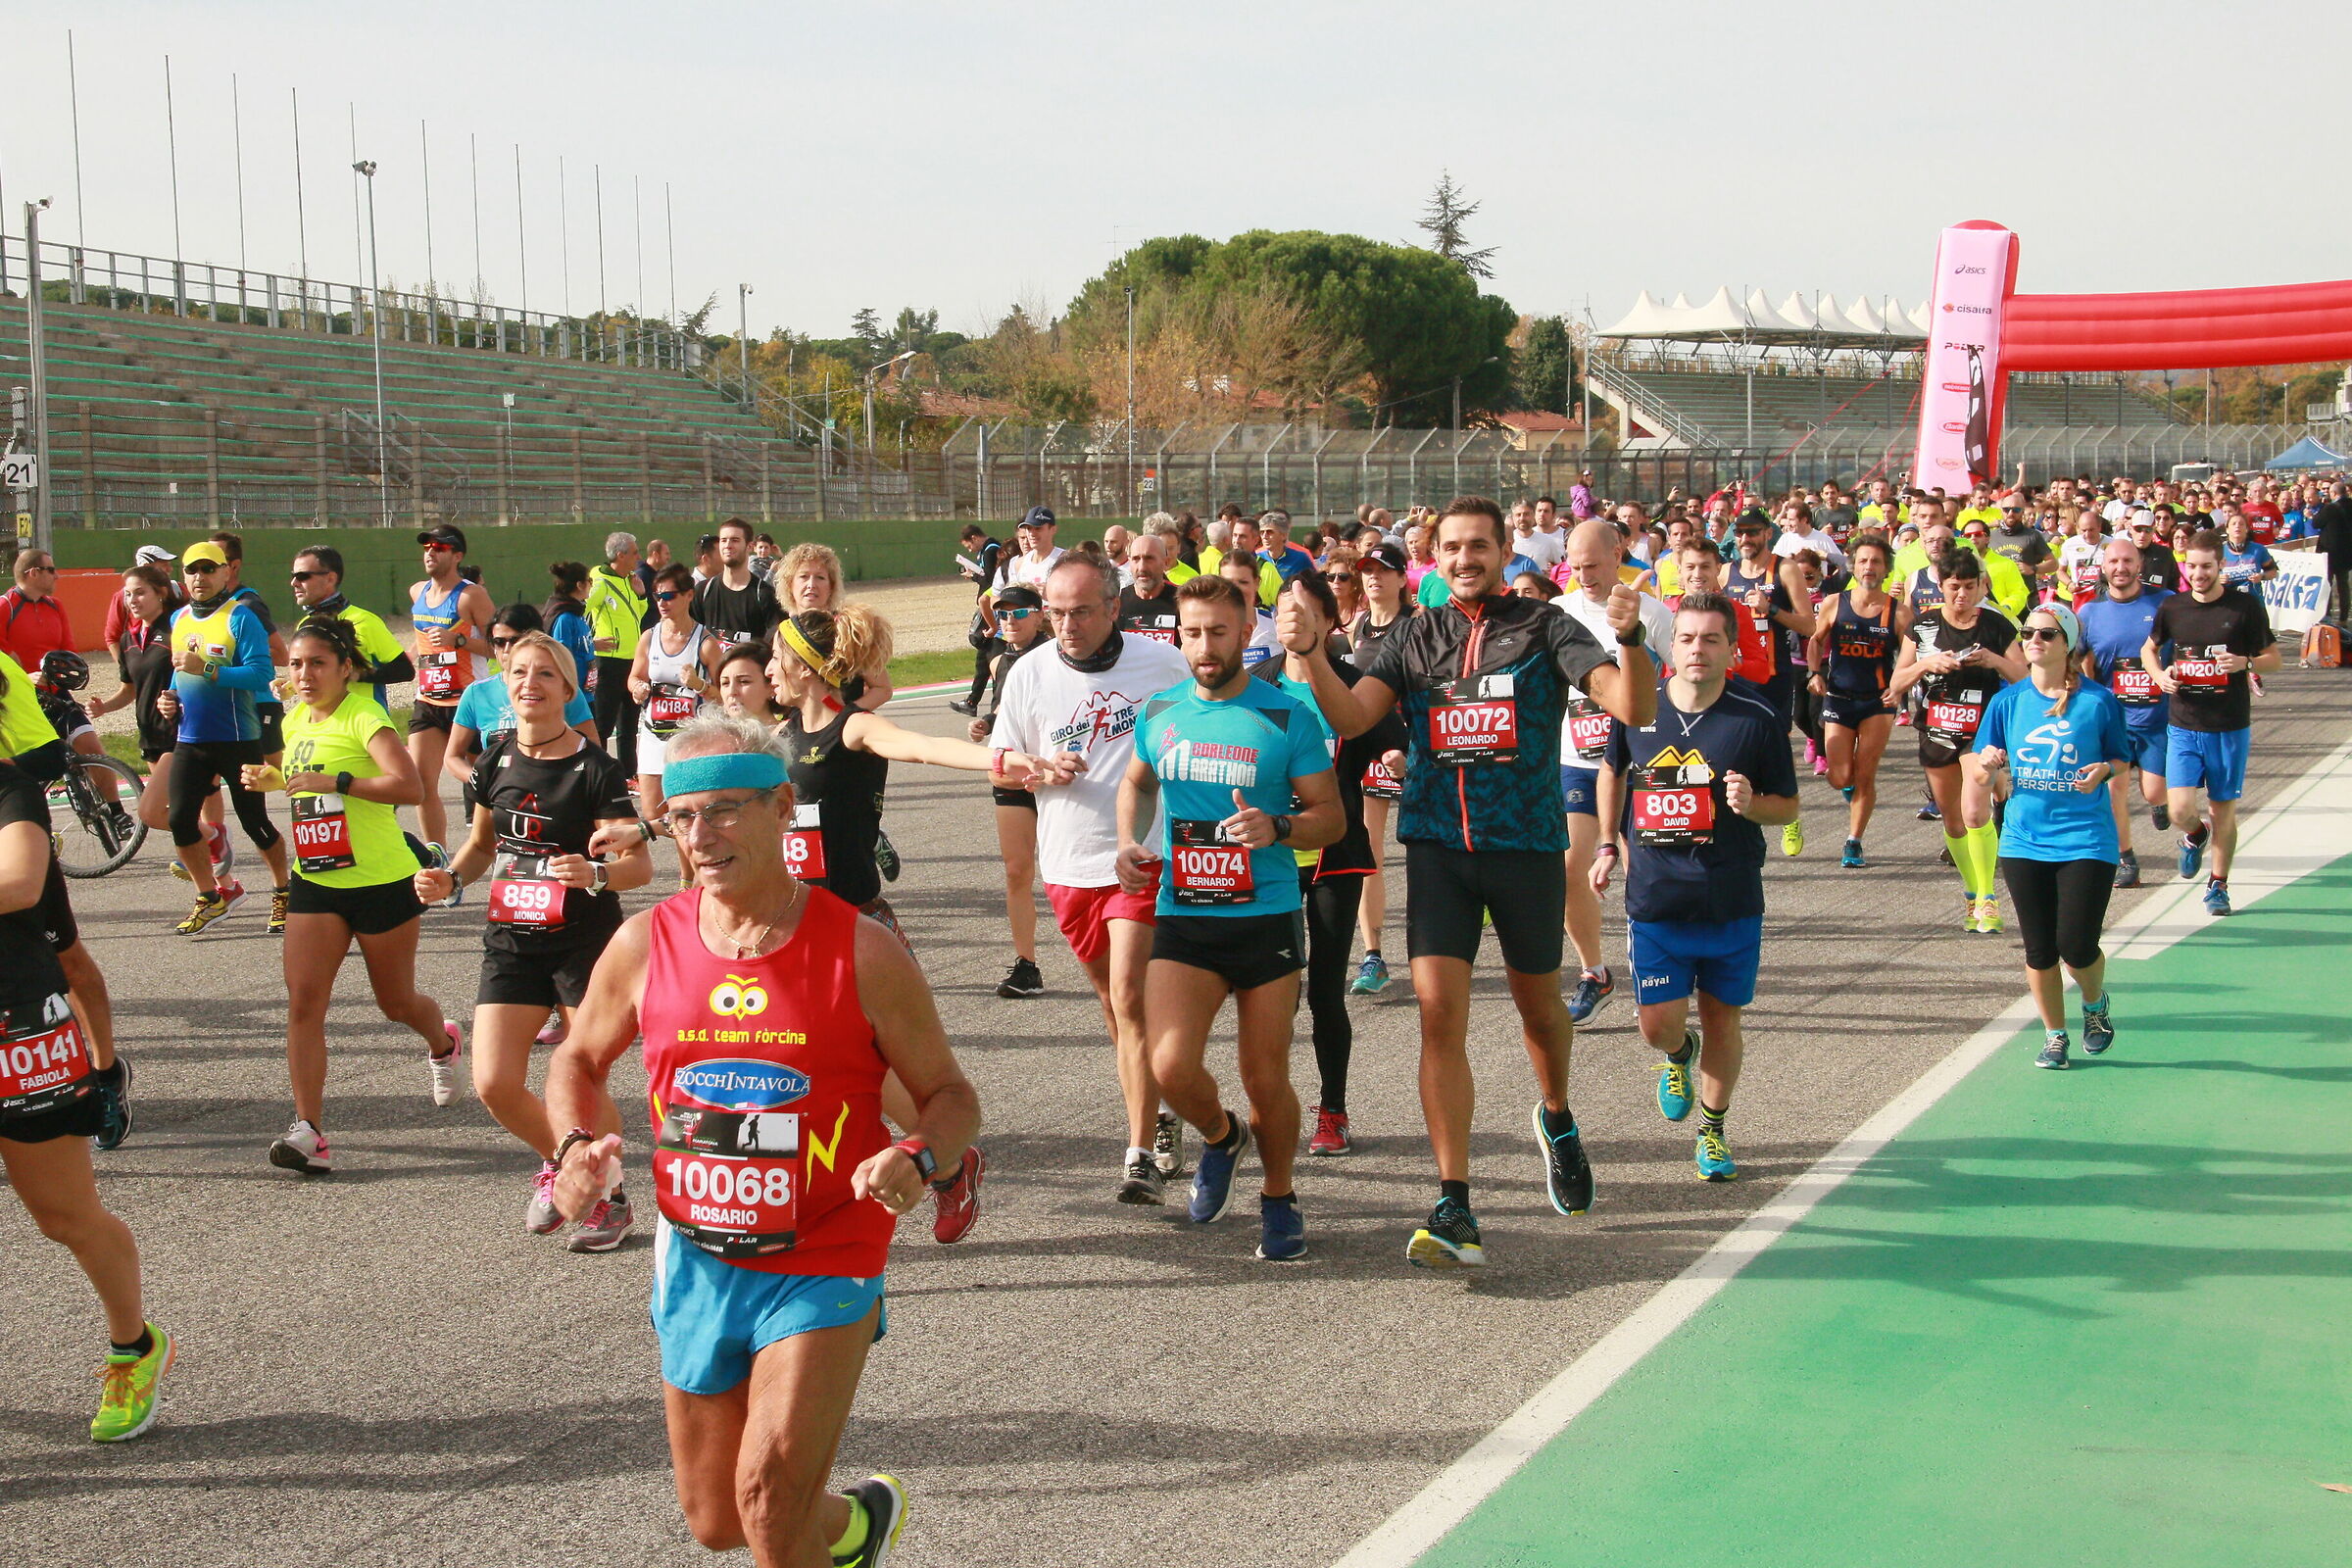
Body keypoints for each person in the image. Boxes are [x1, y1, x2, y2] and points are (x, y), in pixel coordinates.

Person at [544, 716, 978, 1567]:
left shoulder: (862, 949)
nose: (701, 836)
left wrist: (919, 1154)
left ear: (783, 807)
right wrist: (572, 1148)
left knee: (768, 1499)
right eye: (683, 816)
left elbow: (952, 1096)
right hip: (698, 1251)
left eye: (724, 811)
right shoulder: (645, 943)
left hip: (826, 1246)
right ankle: (856, 1529)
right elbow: (577, 1059)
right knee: (720, 1521)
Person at [1276, 496, 1655, 1269]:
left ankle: (1556, 1116)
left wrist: (1632, 638)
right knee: (1439, 1015)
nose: (1464, 559)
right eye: (1451, 547)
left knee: (1540, 1013)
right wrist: (1312, 653)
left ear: (1505, 549)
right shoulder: (1416, 635)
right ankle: (1454, 1201)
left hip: (1525, 847)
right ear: (1436, 556)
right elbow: (1351, 719)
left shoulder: (1545, 626)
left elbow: (1634, 704)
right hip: (1439, 849)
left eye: (1479, 545)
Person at [1112, 573, 1342, 1261]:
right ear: (1177, 637)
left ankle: (1279, 1196)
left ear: (1246, 633)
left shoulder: (1288, 716)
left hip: (1266, 916)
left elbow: (1331, 818)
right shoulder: (1160, 712)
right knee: (1168, 1065)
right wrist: (1128, 841)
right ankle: (1221, 1136)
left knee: (1264, 1076)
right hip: (1186, 914)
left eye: (1218, 632)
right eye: (1192, 633)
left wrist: (1279, 826)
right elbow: (1136, 784)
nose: (1205, 647)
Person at [415, 631, 650, 1247]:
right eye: (519, 672)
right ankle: (570, 1167)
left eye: (545, 673)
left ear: (568, 689)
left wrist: (596, 873)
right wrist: (449, 879)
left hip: (583, 941)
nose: (529, 684)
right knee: (493, 1082)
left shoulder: (594, 768)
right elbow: (482, 845)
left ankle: (608, 1202)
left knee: (584, 1078)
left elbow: (639, 867)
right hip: (512, 939)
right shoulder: (494, 760)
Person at [986, 554, 1192, 1202]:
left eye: (1079, 612)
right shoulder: (1028, 672)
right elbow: (999, 763)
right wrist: (1038, 766)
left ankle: (1139, 1155)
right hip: (1068, 863)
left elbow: (1196, 737)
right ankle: (1162, 1106)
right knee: (1112, 1005)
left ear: (1113, 608)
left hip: (1142, 856)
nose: (1066, 625)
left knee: (1130, 997)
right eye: (1055, 613)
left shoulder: (1164, 665)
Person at [1590, 592, 1800, 1182]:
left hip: (1730, 898)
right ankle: (1679, 1054)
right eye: (1686, 638)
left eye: (1711, 639)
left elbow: (1787, 806)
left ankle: (1713, 1128)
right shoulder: (1640, 707)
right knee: (1657, 1025)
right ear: (1670, 646)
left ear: (1732, 649)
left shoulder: (1756, 716)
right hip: (1656, 899)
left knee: (1722, 1019)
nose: (1697, 649)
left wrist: (1751, 804)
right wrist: (1607, 844)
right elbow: (1612, 772)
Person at [243, 617, 459, 1173]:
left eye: (317, 663)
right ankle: (308, 1130)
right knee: (303, 1002)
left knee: (396, 1003)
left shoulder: (365, 715)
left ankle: (442, 1042)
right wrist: (274, 781)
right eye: (296, 664)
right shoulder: (294, 720)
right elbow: (304, 781)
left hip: (382, 880)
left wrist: (339, 783)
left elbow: (410, 786)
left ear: (345, 668)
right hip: (317, 880)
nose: (304, 674)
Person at [0, 759, 173, 1441]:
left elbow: (20, 882)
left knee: (65, 1217)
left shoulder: (9, 790)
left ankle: (135, 1346)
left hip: (18, 1032)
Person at [1260, 572, 1405, 1159]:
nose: (1292, 620)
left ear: (1327, 621)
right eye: (1283, 610)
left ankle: (1332, 1111)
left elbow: (1393, 742)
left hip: (1333, 857)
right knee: (1272, 992)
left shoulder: (1352, 684)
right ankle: (1271, 1108)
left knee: (1324, 991)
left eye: (1304, 611)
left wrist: (1396, 756)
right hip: (1268, 855)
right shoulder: (1258, 685)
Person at [1969, 604, 2132, 1070]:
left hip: (2086, 839)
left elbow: (2121, 757)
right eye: (2028, 633)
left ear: (2068, 644)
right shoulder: (2007, 702)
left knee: (2076, 946)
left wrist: (2103, 771)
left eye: (2046, 634)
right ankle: (2055, 1036)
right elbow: (1980, 771)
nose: (2034, 640)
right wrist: (1988, 765)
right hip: (2023, 839)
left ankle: (2094, 1004)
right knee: (2040, 949)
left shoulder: (2098, 701)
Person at [1555, 520, 1673, 1022]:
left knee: (1646, 876)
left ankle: (1662, 970)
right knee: (1570, 869)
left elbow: (1686, 678)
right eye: (1575, 567)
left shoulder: (1651, 612)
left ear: (1618, 555)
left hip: (1639, 766)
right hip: (1576, 762)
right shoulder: (1558, 613)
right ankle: (1594, 973)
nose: (1585, 576)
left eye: (1593, 565)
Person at [2145, 529, 2281, 917]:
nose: (2198, 573)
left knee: (2223, 810)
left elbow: (2275, 659)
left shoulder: (2243, 608)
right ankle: (2195, 834)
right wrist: (2158, 675)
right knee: (2178, 810)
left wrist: (2246, 663)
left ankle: (2218, 885)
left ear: (2221, 565)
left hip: (2228, 725)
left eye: (2206, 566)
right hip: (2184, 724)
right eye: (2192, 566)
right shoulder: (2173, 607)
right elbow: (2149, 648)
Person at [1890, 550, 2025, 932]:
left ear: (1981, 585)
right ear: (1941, 585)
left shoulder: (1996, 624)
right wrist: (1925, 664)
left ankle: (1989, 898)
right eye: (1954, 587)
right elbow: (1897, 682)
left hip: (1981, 733)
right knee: (1953, 822)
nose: (1962, 595)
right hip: (1937, 730)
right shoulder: (1923, 626)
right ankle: (1972, 893)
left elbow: (2024, 677)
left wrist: (1995, 661)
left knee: (1974, 813)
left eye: (1969, 587)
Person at [166, 541, 292, 935]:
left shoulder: (240, 617)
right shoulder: (179, 618)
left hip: (237, 738)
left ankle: (283, 890)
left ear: (225, 573)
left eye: (208, 569)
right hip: (191, 738)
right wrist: (169, 698)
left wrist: (209, 669)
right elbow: (179, 670)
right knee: (179, 820)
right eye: (192, 570)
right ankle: (210, 897)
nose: (199, 577)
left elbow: (261, 674)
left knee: (255, 822)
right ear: (183, 576)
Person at [2, 548, 132, 835]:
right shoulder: (6, 607)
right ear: (32, 573)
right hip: (25, 698)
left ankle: (117, 812)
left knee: (90, 745)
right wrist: (24, 677)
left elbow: (68, 649)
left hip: (57, 693)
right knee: (33, 764)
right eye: (50, 570)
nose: (57, 575)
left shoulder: (55, 606)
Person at [965, 583, 1052, 1000]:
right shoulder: (999, 660)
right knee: (1017, 870)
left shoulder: (1056, 656)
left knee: (1075, 870)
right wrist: (985, 723)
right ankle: (1026, 965)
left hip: (1054, 772)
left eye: (1018, 613)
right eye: (1002, 614)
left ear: (1039, 615)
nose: (1009, 621)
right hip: (1013, 775)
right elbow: (1004, 710)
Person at [2077, 537, 2173, 889]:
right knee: (2113, 791)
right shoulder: (2089, 613)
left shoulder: (2165, 603)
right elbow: (2074, 659)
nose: (2121, 568)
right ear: (2103, 567)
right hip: (2114, 722)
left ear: (2140, 565)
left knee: (2154, 792)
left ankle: (2160, 804)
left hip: (2157, 719)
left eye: (2128, 561)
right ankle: (2126, 859)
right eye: (2114, 561)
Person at [1344, 542, 1417, 996]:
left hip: (1415, 751)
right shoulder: (1358, 625)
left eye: (1384, 570)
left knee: (1428, 852)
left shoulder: (1417, 625)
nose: (1373, 577)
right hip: (1372, 749)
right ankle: (1373, 956)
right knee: (1368, 853)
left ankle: (1440, 946)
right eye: (1367, 570)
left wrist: (1408, 747)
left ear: (1402, 578)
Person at [1806, 532, 1902, 868]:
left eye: (1876, 561)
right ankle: (1849, 788)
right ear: (1853, 566)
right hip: (1838, 697)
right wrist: (1814, 673)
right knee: (1839, 777)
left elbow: (1911, 653)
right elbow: (1816, 641)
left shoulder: (1898, 612)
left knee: (1865, 772)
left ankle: (1854, 841)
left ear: (1886, 568)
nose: (1869, 567)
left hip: (1878, 701)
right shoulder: (1835, 603)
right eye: (1863, 561)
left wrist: (1900, 685)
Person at [406, 525, 497, 855]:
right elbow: (422, 642)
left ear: (457, 556)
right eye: (427, 547)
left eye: (440, 547)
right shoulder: (417, 592)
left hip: (468, 702)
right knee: (421, 784)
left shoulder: (471, 596)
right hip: (428, 700)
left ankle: (497, 848)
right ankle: (438, 855)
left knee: (487, 784)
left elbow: (499, 646)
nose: (430, 552)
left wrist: (458, 640)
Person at [632, 564, 724, 837]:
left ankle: (689, 862)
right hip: (653, 733)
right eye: (657, 596)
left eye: (669, 596)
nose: (662, 603)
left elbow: (725, 695)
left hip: (689, 738)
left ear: (688, 596)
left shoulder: (706, 643)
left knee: (688, 810)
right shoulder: (649, 637)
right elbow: (634, 676)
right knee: (653, 812)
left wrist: (700, 685)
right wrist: (638, 688)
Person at [289, 546, 414, 709]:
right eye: (293, 576)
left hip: (365, 720)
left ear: (330, 579)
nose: (294, 583)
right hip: (322, 721)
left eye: (302, 576)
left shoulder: (365, 621)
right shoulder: (304, 625)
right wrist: (289, 686)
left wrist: (357, 675)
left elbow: (405, 671)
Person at [586, 532, 649, 776]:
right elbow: (578, 610)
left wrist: (641, 595)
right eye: (635, 552)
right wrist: (590, 642)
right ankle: (598, 774)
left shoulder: (630, 580)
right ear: (620, 555)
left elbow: (636, 616)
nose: (639, 557)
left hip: (632, 662)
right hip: (610, 663)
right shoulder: (600, 582)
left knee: (629, 726)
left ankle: (628, 774)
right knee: (603, 725)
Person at [690, 517, 784, 651]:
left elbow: (776, 645)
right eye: (723, 540)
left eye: (735, 540)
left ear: (749, 546)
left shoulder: (765, 594)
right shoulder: (703, 591)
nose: (728, 545)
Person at [950, 521, 1007, 716]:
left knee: (992, 658)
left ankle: (993, 707)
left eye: (969, 545)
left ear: (974, 538)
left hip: (992, 611)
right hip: (989, 609)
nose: (970, 549)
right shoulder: (985, 551)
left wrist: (973, 576)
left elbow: (990, 580)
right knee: (983, 657)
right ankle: (972, 701)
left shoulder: (991, 550)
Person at [543, 561, 599, 690]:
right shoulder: (565, 618)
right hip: (572, 691)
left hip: (586, 691)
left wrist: (591, 644)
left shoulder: (577, 612)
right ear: (579, 585)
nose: (591, 584)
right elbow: (561, 656)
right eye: (589, 580)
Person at [1117, 533, 1181, 644]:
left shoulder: (1181, 601)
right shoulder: (1117, 602)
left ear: (1165, 562)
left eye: (1149, 558)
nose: (1142, 567)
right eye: (1136, 559)